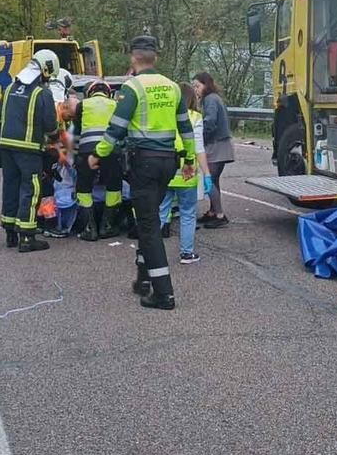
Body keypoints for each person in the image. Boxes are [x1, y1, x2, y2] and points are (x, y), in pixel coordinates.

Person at [92, 36, 195, 310]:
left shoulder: (132, 87)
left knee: (148, 226)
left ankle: (164, 293)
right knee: (147, 217)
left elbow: (115, 128)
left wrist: (97, 154)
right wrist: (189, 159)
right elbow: (185, 127)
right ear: (155, 58)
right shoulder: (173, 87)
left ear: (133, 58)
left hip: (144, 163)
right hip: (168, 163)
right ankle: (143, 278)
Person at [0, 49, 61, 252]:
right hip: (29, 150)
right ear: (45, 70)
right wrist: (55, 140)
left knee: (10, 187)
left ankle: (10, 233)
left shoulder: (8, 88)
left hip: (5, 147)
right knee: (31, 190)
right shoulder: (42, 93)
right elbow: (51, 126)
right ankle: (27, 238)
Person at [159, 83, 213, 264]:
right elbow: (198, 148)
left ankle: (153, 253)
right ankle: (186, 253)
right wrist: (207, 174)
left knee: (161, 210)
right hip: (186, 171)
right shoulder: (195, 117)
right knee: (187, 213)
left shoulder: (164, 116)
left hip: (164, 169)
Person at [74, 80, 122, 241]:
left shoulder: (82, 105)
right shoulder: (115, 105)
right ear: (108, 93)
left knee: (83, 188)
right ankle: (107, 226)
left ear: (90, 92)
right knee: (114, 186)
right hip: (111, 150)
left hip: (87, 151)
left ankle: (89, 228)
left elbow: (76, 131)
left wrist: (74, 155)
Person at [193, 72, 235, 229]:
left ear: (206, 85)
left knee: (208, 180)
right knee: (214, 180)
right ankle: (213, 211)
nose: (196, 89)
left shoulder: (210, 100)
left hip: (216, 145)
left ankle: (220, 215)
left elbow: (209, 122)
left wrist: (199, 138)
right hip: (220, 144)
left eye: (197, 86)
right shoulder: (214, 98)